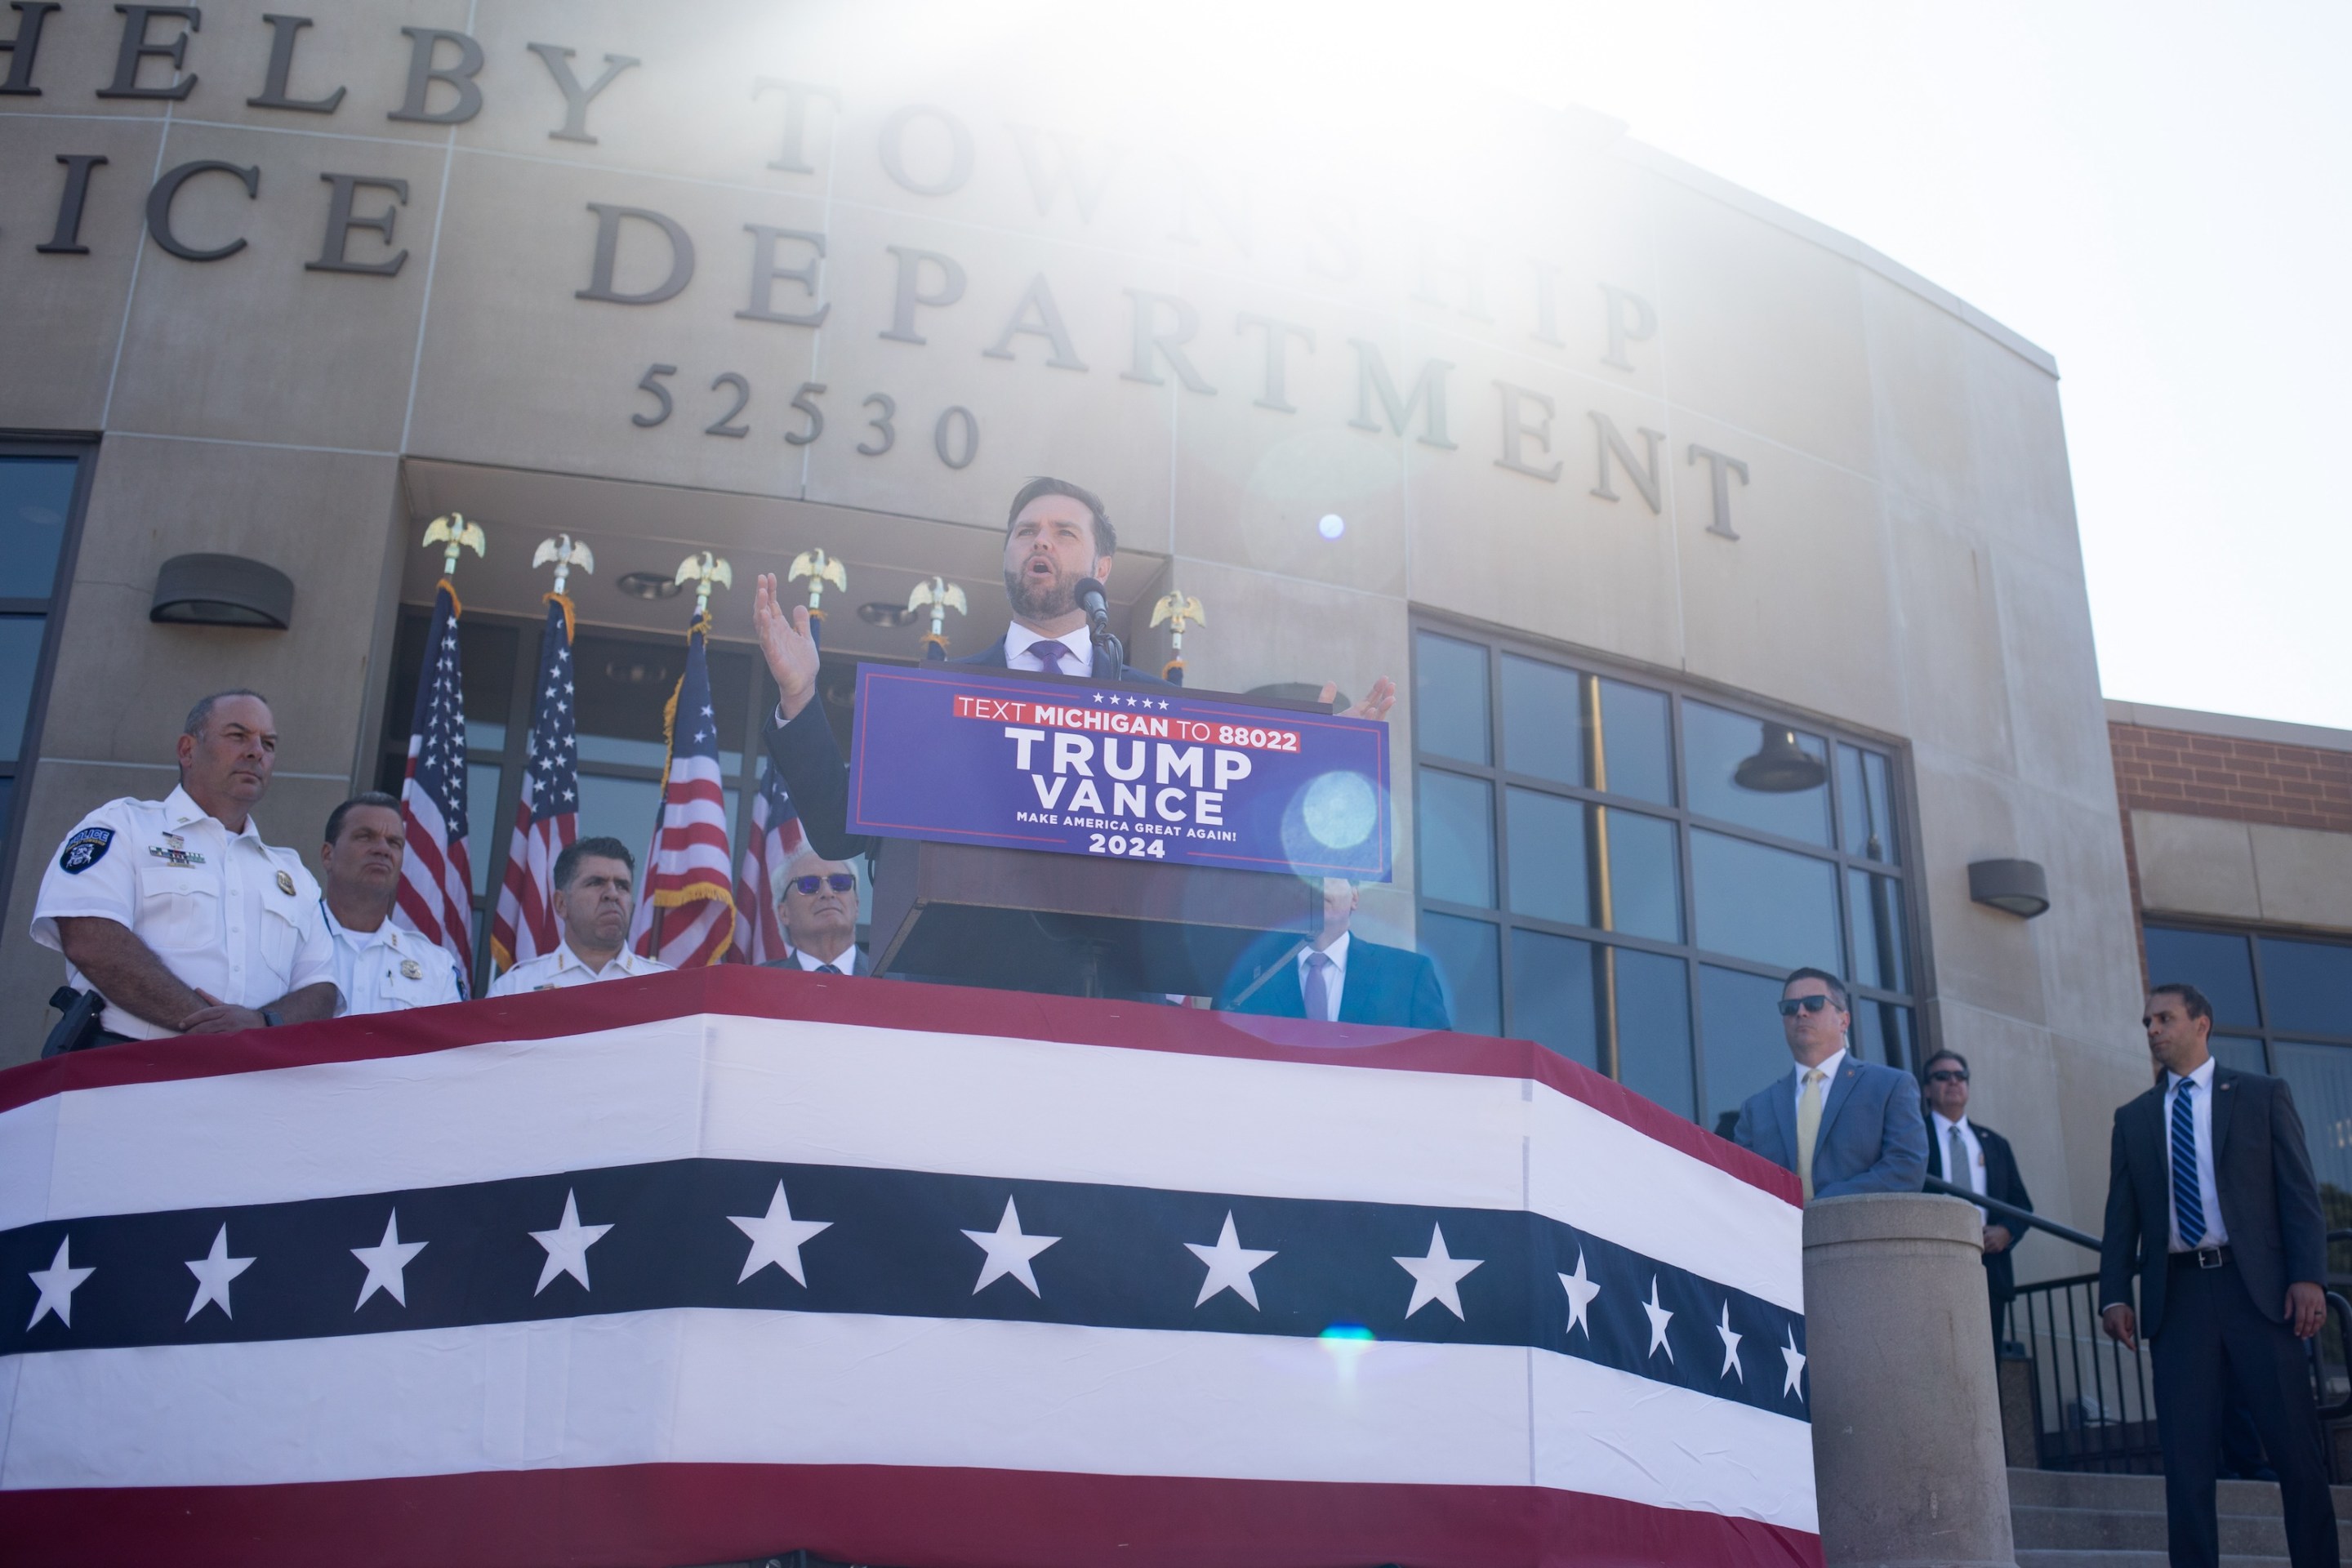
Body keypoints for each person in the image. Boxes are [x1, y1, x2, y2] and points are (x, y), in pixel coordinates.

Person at [751, 476, 1399, 861]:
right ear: (1007, 555)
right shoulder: (933, 700)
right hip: (956, 997)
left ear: (1103, 569)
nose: (1041, 542)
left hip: (1114, 1019)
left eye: (1065, 533)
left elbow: (1231, 825)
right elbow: (839, 834)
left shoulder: (1165, 712)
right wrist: (801, 695)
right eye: (1026, 531)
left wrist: (1322, 762)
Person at [2098, 982, 2336, 1568]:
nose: (2153, 1030)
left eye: (2165, 1018)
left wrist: (2308, 1276)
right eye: (2147, 1021)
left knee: (2296, 1455)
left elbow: (2300, 1196)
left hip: (2258, 1294)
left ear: (2202, 1024)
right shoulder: (2133, 1119)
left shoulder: (2261, 1095)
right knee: (2186, 1462)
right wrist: (2112, 1295)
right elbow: (2119, 1216)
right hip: (2177, 1299)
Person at [31, 689, 339, 1044]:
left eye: (268, 744)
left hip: (252, 1081)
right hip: (129, 1070)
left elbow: (321, 987)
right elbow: (91, 940)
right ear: (187, 750)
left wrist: (260, 1026)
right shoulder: (123, 827)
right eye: (238, 736)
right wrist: (211, 1028)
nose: (257, 752)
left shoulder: (293, 875)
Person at [1731, 967, 1927, 1200]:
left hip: (1858, 1233)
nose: (1801, 1012)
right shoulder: (1756, 1109)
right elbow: (1742, 1183)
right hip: (1780, 1234)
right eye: (1790, 1007)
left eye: (1813, 1004)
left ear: (1844, 1020)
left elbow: (1905, 1168)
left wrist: (1824, 1206)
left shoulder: (1890, 1087)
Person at [1214, 877, 1450, 1028]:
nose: (1317, 884)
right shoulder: (1244, 981)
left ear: (1354, 897)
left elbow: (1440, 1063)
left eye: (1330, 874)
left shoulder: (1409, 976)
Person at [1920, 1048, 2034, 1343]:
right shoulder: (1913, 1137)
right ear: (1927, 1089)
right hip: (1931, 1266)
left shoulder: (1994, 1143)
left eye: (1961, 1076)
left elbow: (2021, 1204)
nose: (1953, 1082)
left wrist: (2007, 1231)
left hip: (1989, 1269)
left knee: (1987, 1367)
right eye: (1943, 1076)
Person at [316, 791, 464, 1014]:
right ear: (328, 855)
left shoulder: (436, 966)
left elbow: (451, 1048)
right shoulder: (290, 942)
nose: (383, 850)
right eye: (365, 836)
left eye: (394, 843)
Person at [486, 838, 672, 995]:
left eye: (622, 885)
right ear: (561, 903)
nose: (613, 894)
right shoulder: (515, 988)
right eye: (596, 883)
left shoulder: (668, 987)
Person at [762, 849, 868, 974]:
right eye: (809, 885)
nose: (828, 893)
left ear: (856, 905)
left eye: (840, 883)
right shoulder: (757, 983)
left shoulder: (893, 981)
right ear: (784, 913)